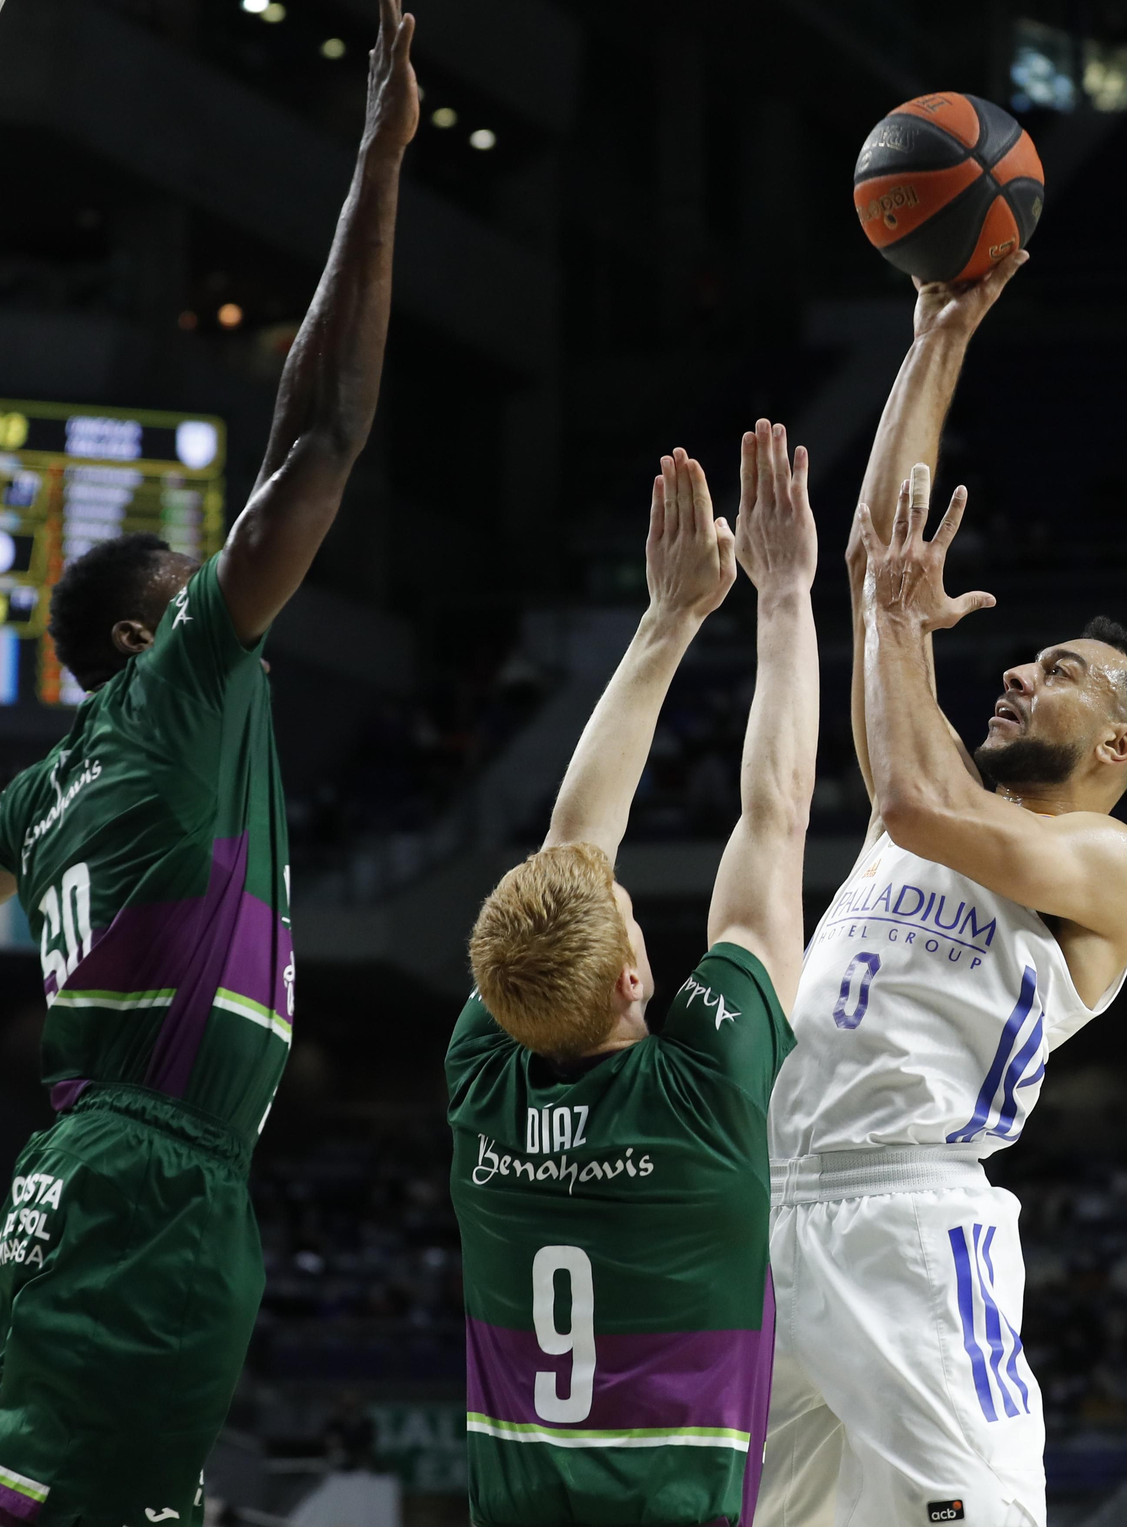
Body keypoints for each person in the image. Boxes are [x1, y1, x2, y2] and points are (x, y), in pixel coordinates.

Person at [0, 0, 419, 1527]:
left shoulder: (44, 783)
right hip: (142, 1176)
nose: (231, 582)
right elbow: (323, 435)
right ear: (151, 639)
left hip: (115, 1169)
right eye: (196, 580)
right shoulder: (182, 691)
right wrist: (377, 164)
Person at [756, 256, 1127, 1527]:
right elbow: (876, 561)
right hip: (772, 1204)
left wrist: (898, 630)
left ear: (1118, 747)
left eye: (1057, 671)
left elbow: (911, 806)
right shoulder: (942, 771)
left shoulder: (1112, 868)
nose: (1014, 669)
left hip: (909, 1219)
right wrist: (935, 337)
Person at [448, 424, 818, 1526]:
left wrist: (668, 620)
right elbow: (773, 820)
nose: (616, 887)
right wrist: (783, 595)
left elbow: (577, 841)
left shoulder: (487, 1074)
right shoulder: (701, 1101)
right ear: (628, 983)